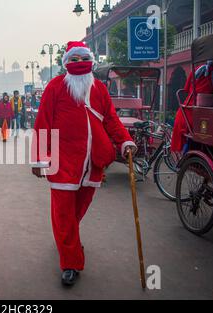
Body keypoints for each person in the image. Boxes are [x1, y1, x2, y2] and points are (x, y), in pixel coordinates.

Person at [32, 41, 136, 286]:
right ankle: (70, 263)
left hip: (93, 162)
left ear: (90, 61)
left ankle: (66, 239)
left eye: (83, 58)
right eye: (74, 59)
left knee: (76, 212)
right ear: (66, 63)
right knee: (64, 213)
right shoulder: (55, 87)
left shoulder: (98, 88)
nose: (79, 63)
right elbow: (43, 122)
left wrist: (125, 141)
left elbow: (111, 119)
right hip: (62, 161)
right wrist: (39, 157)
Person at [171, 60, 213, 153]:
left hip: (192, 112)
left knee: (183, 127)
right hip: (209, 112)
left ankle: (184, 156)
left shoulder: (197, 70)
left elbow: (186, 89)